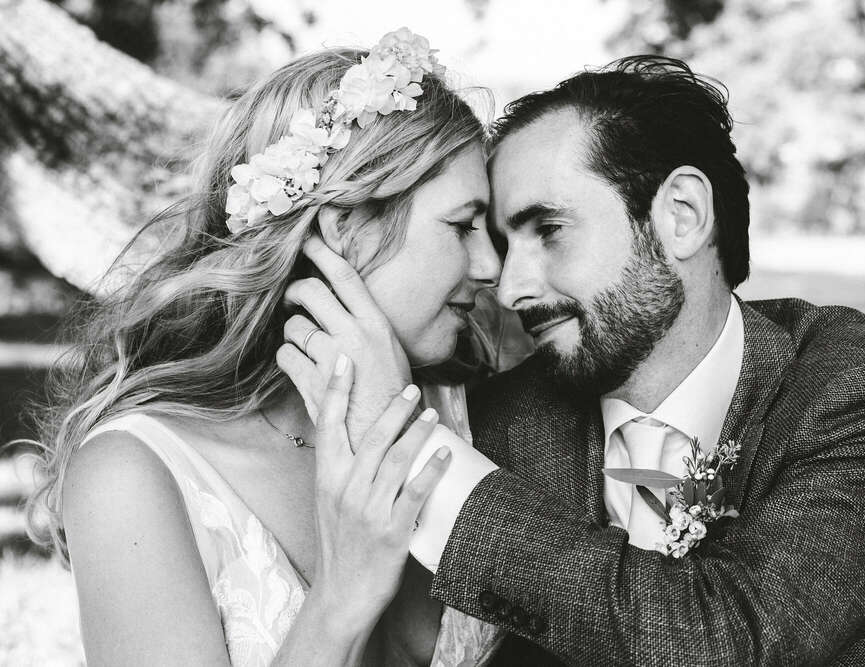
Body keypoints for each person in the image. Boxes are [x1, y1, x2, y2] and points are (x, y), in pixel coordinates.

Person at [283, 57, 865, 664]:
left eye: (549, 230)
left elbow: (726, 639)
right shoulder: (502, 421)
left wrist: (413, 452)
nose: (509, 285)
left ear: (681, 215)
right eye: (504, 241)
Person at [24, 29, 507, 666]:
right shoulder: (136, 473)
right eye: (462, 226)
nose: (492, 266)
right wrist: (340, 598)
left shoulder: (484, 413)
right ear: (345, 229)